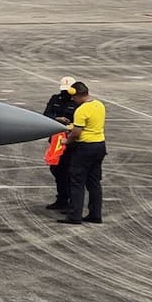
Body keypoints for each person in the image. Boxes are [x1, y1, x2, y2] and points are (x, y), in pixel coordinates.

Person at [59, 81, 106, 225]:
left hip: (85, 148)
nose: (72, 100)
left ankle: (75, 216)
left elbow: (77, 133)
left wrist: (66, 141)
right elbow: (89, 125)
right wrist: (71, 126)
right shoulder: (99, 105)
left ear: (77, 95)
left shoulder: (81, 110)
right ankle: (95, 214)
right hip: (100, 145)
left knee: (77, 182)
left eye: (73, 97)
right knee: (94, 183)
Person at [43, 76, 77, 211]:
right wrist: (57, 119)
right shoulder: (55, 99)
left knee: (70, 171)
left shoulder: (78, 103)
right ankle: (62, 198)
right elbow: (46, 114)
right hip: (56, 140)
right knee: (56, 169)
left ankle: (71, 201)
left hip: (71, 141)